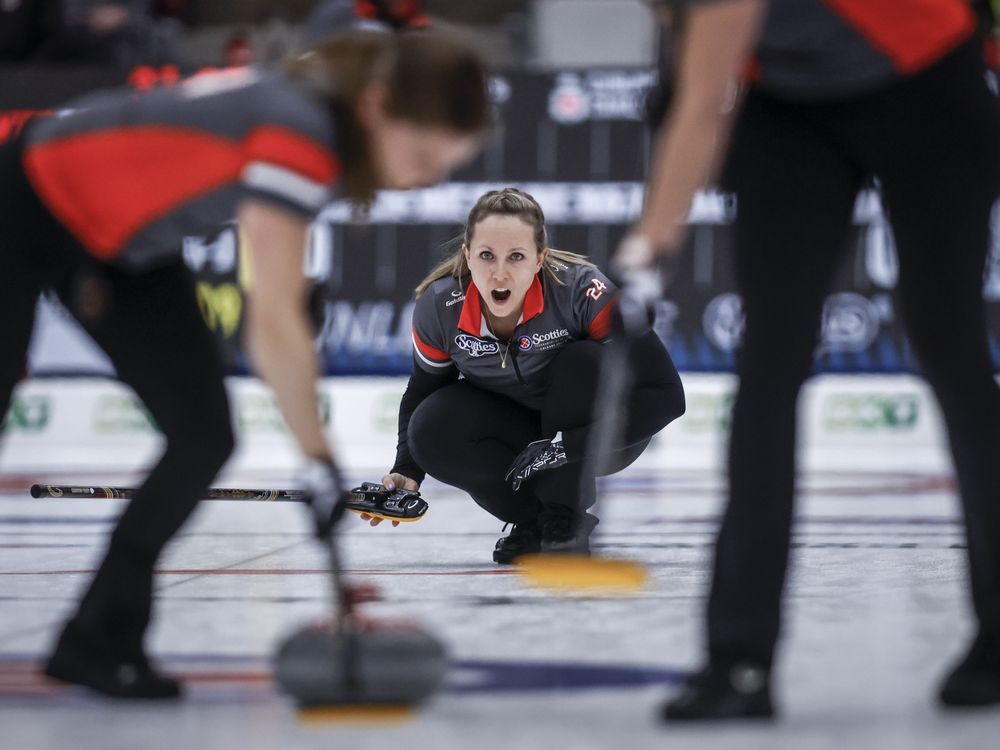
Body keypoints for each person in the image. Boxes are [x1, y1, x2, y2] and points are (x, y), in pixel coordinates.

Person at [0, 28, 489, 699]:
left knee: (203, 436)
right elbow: (272, 321)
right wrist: (319, 461)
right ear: (376, 107)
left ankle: (97, 639)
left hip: (121, 241)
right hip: (22, 199)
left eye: (448, 164)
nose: (431, 176)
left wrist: (317, 462)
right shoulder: (302, 132)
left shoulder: (322, 126)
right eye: (426, 153)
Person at [614, 0, 1000, 720]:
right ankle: (740, 661)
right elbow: (698, 90)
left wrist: (650, 245)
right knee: (769, 365)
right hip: (788, 104)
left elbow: (701, 104)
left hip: (927, 79)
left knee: (950, 347)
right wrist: (648, 250)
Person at [365, 187, 685, 563]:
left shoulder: (583, 292)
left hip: (598, 435)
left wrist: (567, 446)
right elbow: (423, 390)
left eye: (516, 256)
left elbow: (666, 395)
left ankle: (563, 519)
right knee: (431, 428)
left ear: (539, 260)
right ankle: (538, 523)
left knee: (580, 361)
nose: (499, 273)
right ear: (467, 257)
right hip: (521, 434)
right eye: (487, 256)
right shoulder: (439, 307)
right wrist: (406, 471)